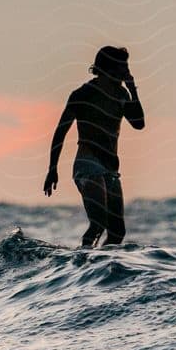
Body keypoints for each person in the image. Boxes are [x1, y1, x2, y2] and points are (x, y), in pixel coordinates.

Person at [43, 45, 145, 246]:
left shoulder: (122, 94)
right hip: (87, 165)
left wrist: (133, 89)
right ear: (106, 69)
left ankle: (102, 271)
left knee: (117, 233)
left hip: (111, 169)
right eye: (122, 68)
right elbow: (60, 132)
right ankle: (82, 262)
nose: (126, 73)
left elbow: (139, 124)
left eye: (127, 68)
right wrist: (52, 168)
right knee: (98, 224)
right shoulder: (83, 94)